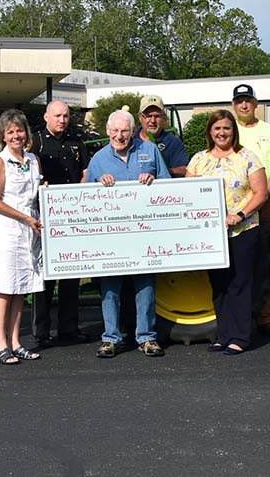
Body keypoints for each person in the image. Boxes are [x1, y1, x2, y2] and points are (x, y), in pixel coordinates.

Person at [86, 110, 169, 359]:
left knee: (145, 287)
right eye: (115, 131)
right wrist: (98, 182)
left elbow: (168, 183)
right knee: (109, 289)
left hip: (144, 235)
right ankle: (110, 337)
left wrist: (153, 178)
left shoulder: (150, 151)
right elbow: (84, 199)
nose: (119, 136)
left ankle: (146, 337)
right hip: (111, 238)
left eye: (124, 131)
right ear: (107, 131)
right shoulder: (98, 159)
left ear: (133, 131)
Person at [186, 110, 267, 355]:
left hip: (242, 231)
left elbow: (260, 193)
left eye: (227, 128)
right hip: (212, 234)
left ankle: (240, 337)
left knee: (239, 283)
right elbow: (188, 193)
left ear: (234, 131)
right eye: (217, 128)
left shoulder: (247, 157)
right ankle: (223, 334)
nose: (222, 133)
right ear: (210, 132)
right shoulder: (199, 159)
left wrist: (239, 215)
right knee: (219, 284)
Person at [0, 110, 45, 365]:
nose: (16, 136)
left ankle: (16, 342)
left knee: (22, 287)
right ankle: (0, 344)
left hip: (29, 231)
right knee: (5, 288)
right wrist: (25, 218)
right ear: (3, 136)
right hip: (6, 230)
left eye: (19, 130)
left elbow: (35, 193)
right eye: (10, 132)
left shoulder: (33, 159)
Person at [29, 99, 89, 348]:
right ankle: (41, 333)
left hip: (71, 218)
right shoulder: (34, 142)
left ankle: (69, 329)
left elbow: (85, 172)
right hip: (44, 217)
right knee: (44, 278)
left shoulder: (77, 142)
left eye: (65, 116)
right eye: (57, 116)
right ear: (46, 117)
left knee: (71, 278)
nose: (62, 120)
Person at [231, 83, 270, 337]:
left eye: (248, 101)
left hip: (267, 207)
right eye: (239, 101)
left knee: (266, 262)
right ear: (234, 105)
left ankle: (266, 316)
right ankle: (241, 317)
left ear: (255, 104)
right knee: (239, 264)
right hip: (235, 209)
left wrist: (263, 194)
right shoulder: (228, 131)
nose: (244, 105)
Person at [135, 94, 189, 177]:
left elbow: (185, 169)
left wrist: (163, 170)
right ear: (140, 117)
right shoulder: (130, 140)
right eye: (148, 116)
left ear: (163, 117)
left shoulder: (172, 141)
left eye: (157, 116)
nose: (153, 120)